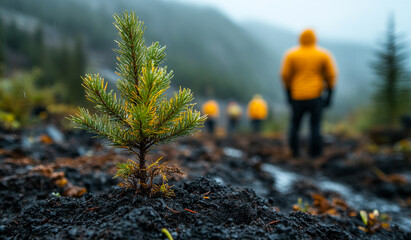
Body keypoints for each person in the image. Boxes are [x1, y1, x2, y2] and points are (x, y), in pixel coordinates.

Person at [280, 29, 337, 158]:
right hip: (315, 96)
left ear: (300, 38)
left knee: (295, 124)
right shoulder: (323, 55)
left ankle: (294, 152)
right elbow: (331, 75)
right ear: (314, 38)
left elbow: (285, 75)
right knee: (315, 125)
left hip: (297, 95)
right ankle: (315, 154)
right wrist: (330, 93)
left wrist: (288, 93)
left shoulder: (291, 55)